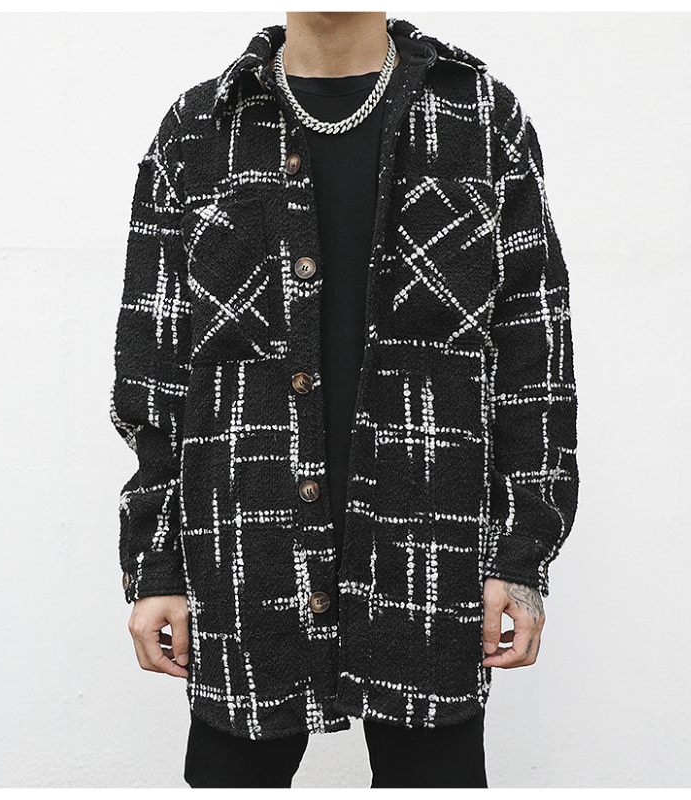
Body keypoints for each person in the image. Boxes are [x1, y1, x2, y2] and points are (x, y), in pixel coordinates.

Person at [109, 11, 579, 789]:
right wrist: (157, 565)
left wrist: (520, 555)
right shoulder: (199, 130)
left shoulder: (480, 116)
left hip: (428, 555)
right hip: (246, 557)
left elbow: (535, 356)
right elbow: (154, 371)